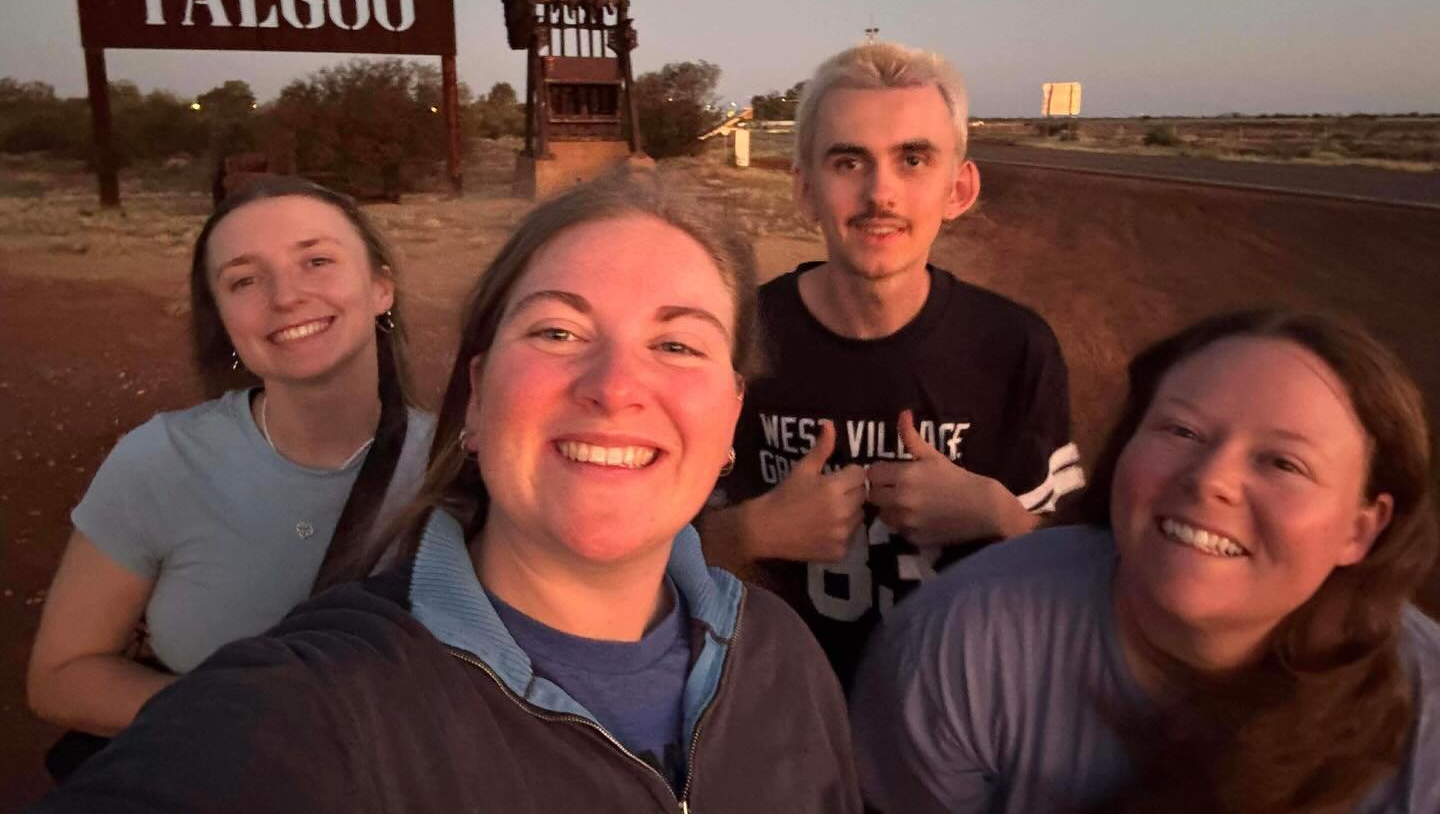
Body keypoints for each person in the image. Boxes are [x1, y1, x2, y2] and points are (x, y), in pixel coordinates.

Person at [30, 172, 861, 813]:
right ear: (478, 398)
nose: (615, 387)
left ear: (731, 419)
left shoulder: (780, 657)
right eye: (558, 331)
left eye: (678, 344)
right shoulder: (322, 709)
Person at [851, 310, 1440, 813]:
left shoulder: (1426, 711)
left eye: (1283, 463)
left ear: (1362, 529)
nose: (1212, 480)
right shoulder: (960, 643)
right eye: (1180, 430)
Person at [700, 41, 1082, 687]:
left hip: (958, 713)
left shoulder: (1015, 345)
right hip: (775, 707)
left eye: (913, 159)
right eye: (849, 161)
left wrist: (997, 515)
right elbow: (640, 549)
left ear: (958, 187)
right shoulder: (737, 338)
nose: (881, 192)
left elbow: (1079, 568)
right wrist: (747, 533)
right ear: (805, 188)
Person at [26, 176, 435, 771]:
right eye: (244, 280)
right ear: (224, 320)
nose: (286, 296)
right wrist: (247, 719)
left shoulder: (460, 468)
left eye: (317, 260)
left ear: (380, 287)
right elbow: (62, 676)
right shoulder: (162, 461)